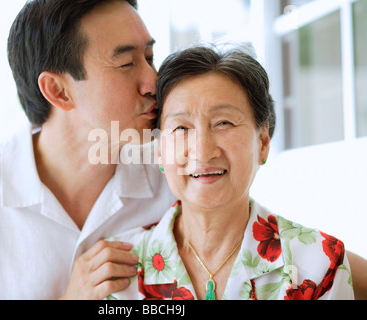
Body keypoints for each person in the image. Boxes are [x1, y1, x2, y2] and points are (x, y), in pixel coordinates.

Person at [0, 0, 366, 300]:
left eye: (150, 56)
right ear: (58, 90)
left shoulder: (177, 164)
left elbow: (278, 244)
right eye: (127, 62)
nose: (154, 81)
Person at [105, 46, 354, 300]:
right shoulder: (116, 272)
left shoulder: (320, 264)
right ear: (160, 151)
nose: (203, 151)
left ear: (262, 142)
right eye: (181, 127)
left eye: (223, 123)